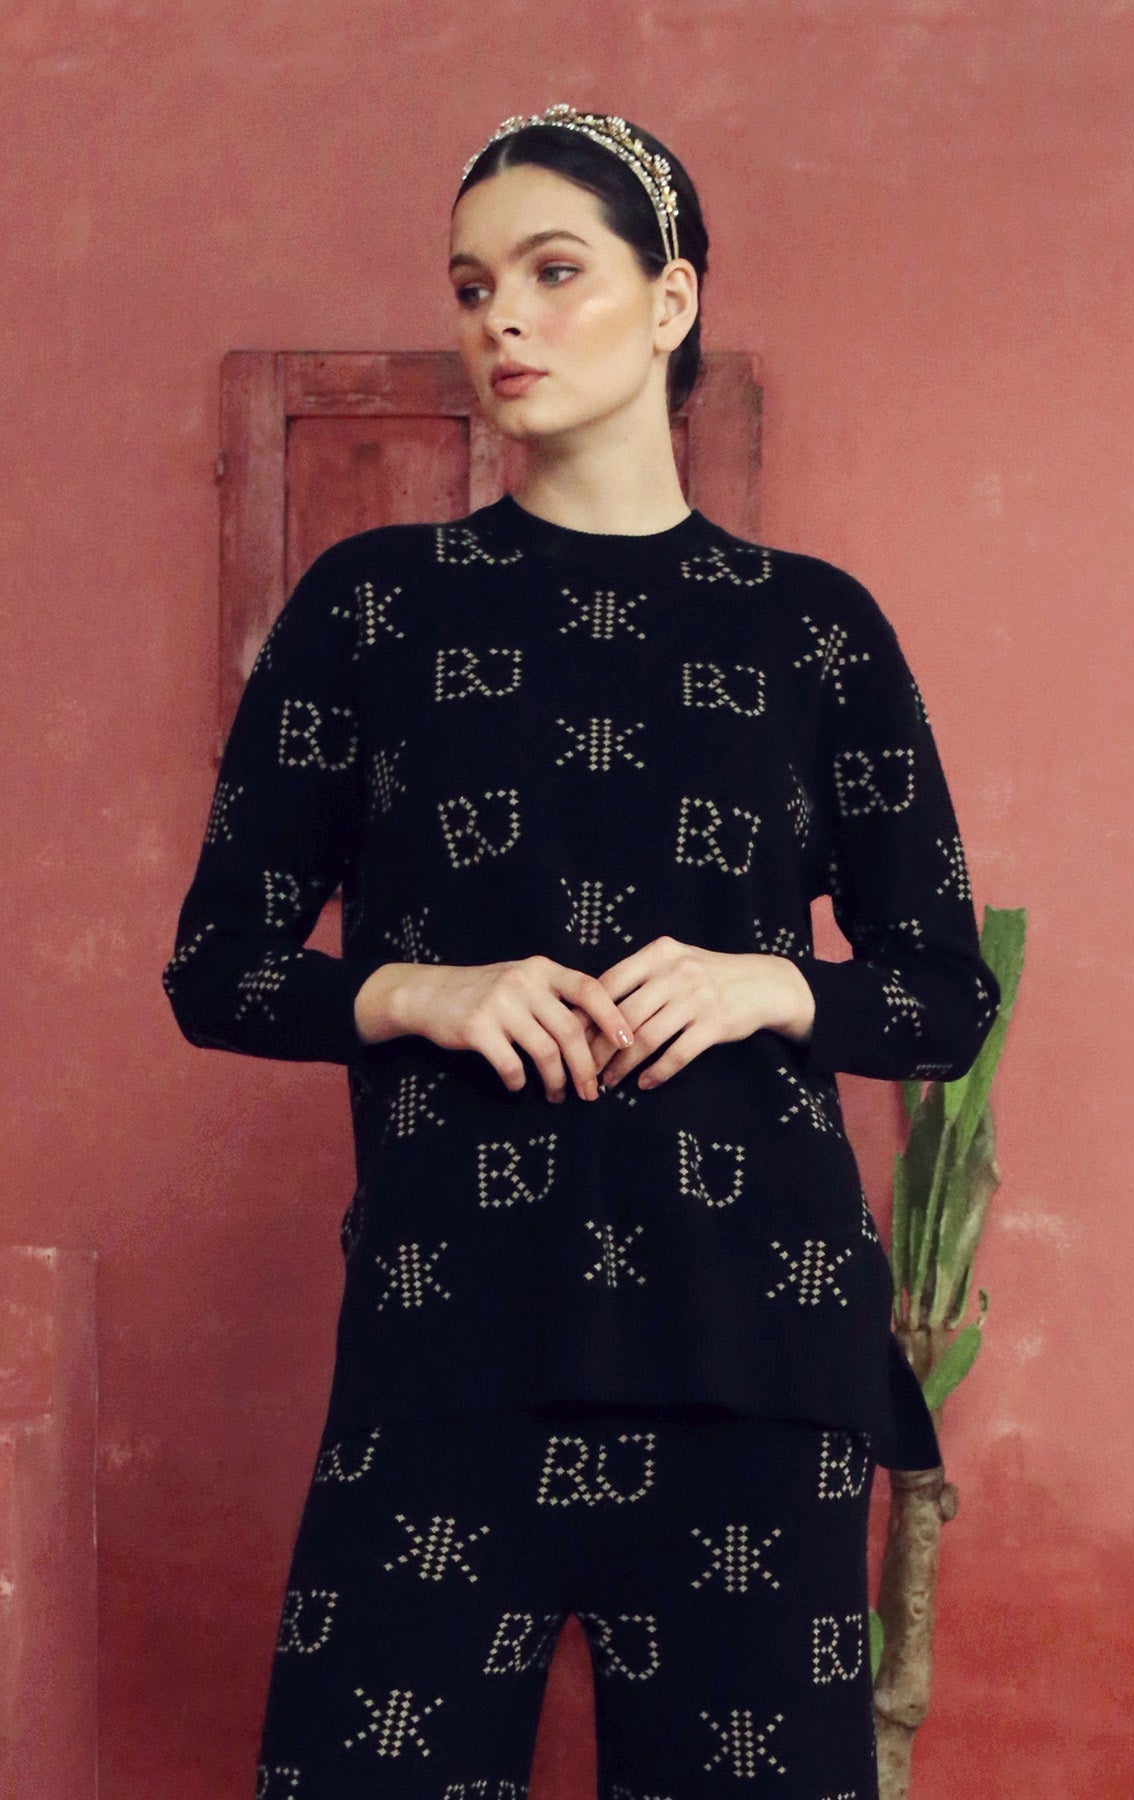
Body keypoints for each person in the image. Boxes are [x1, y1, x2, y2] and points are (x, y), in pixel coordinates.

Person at [163, 104, 1000, 1800]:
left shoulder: (814, 628)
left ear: (671, 300)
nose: (504, 322)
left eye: (555, 273)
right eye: (474, 285)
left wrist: (773, 985)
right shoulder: (374, 607)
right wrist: (417, 992)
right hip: (451, 1344)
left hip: (753, 1356)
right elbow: (215, 965)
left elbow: (943, 990)